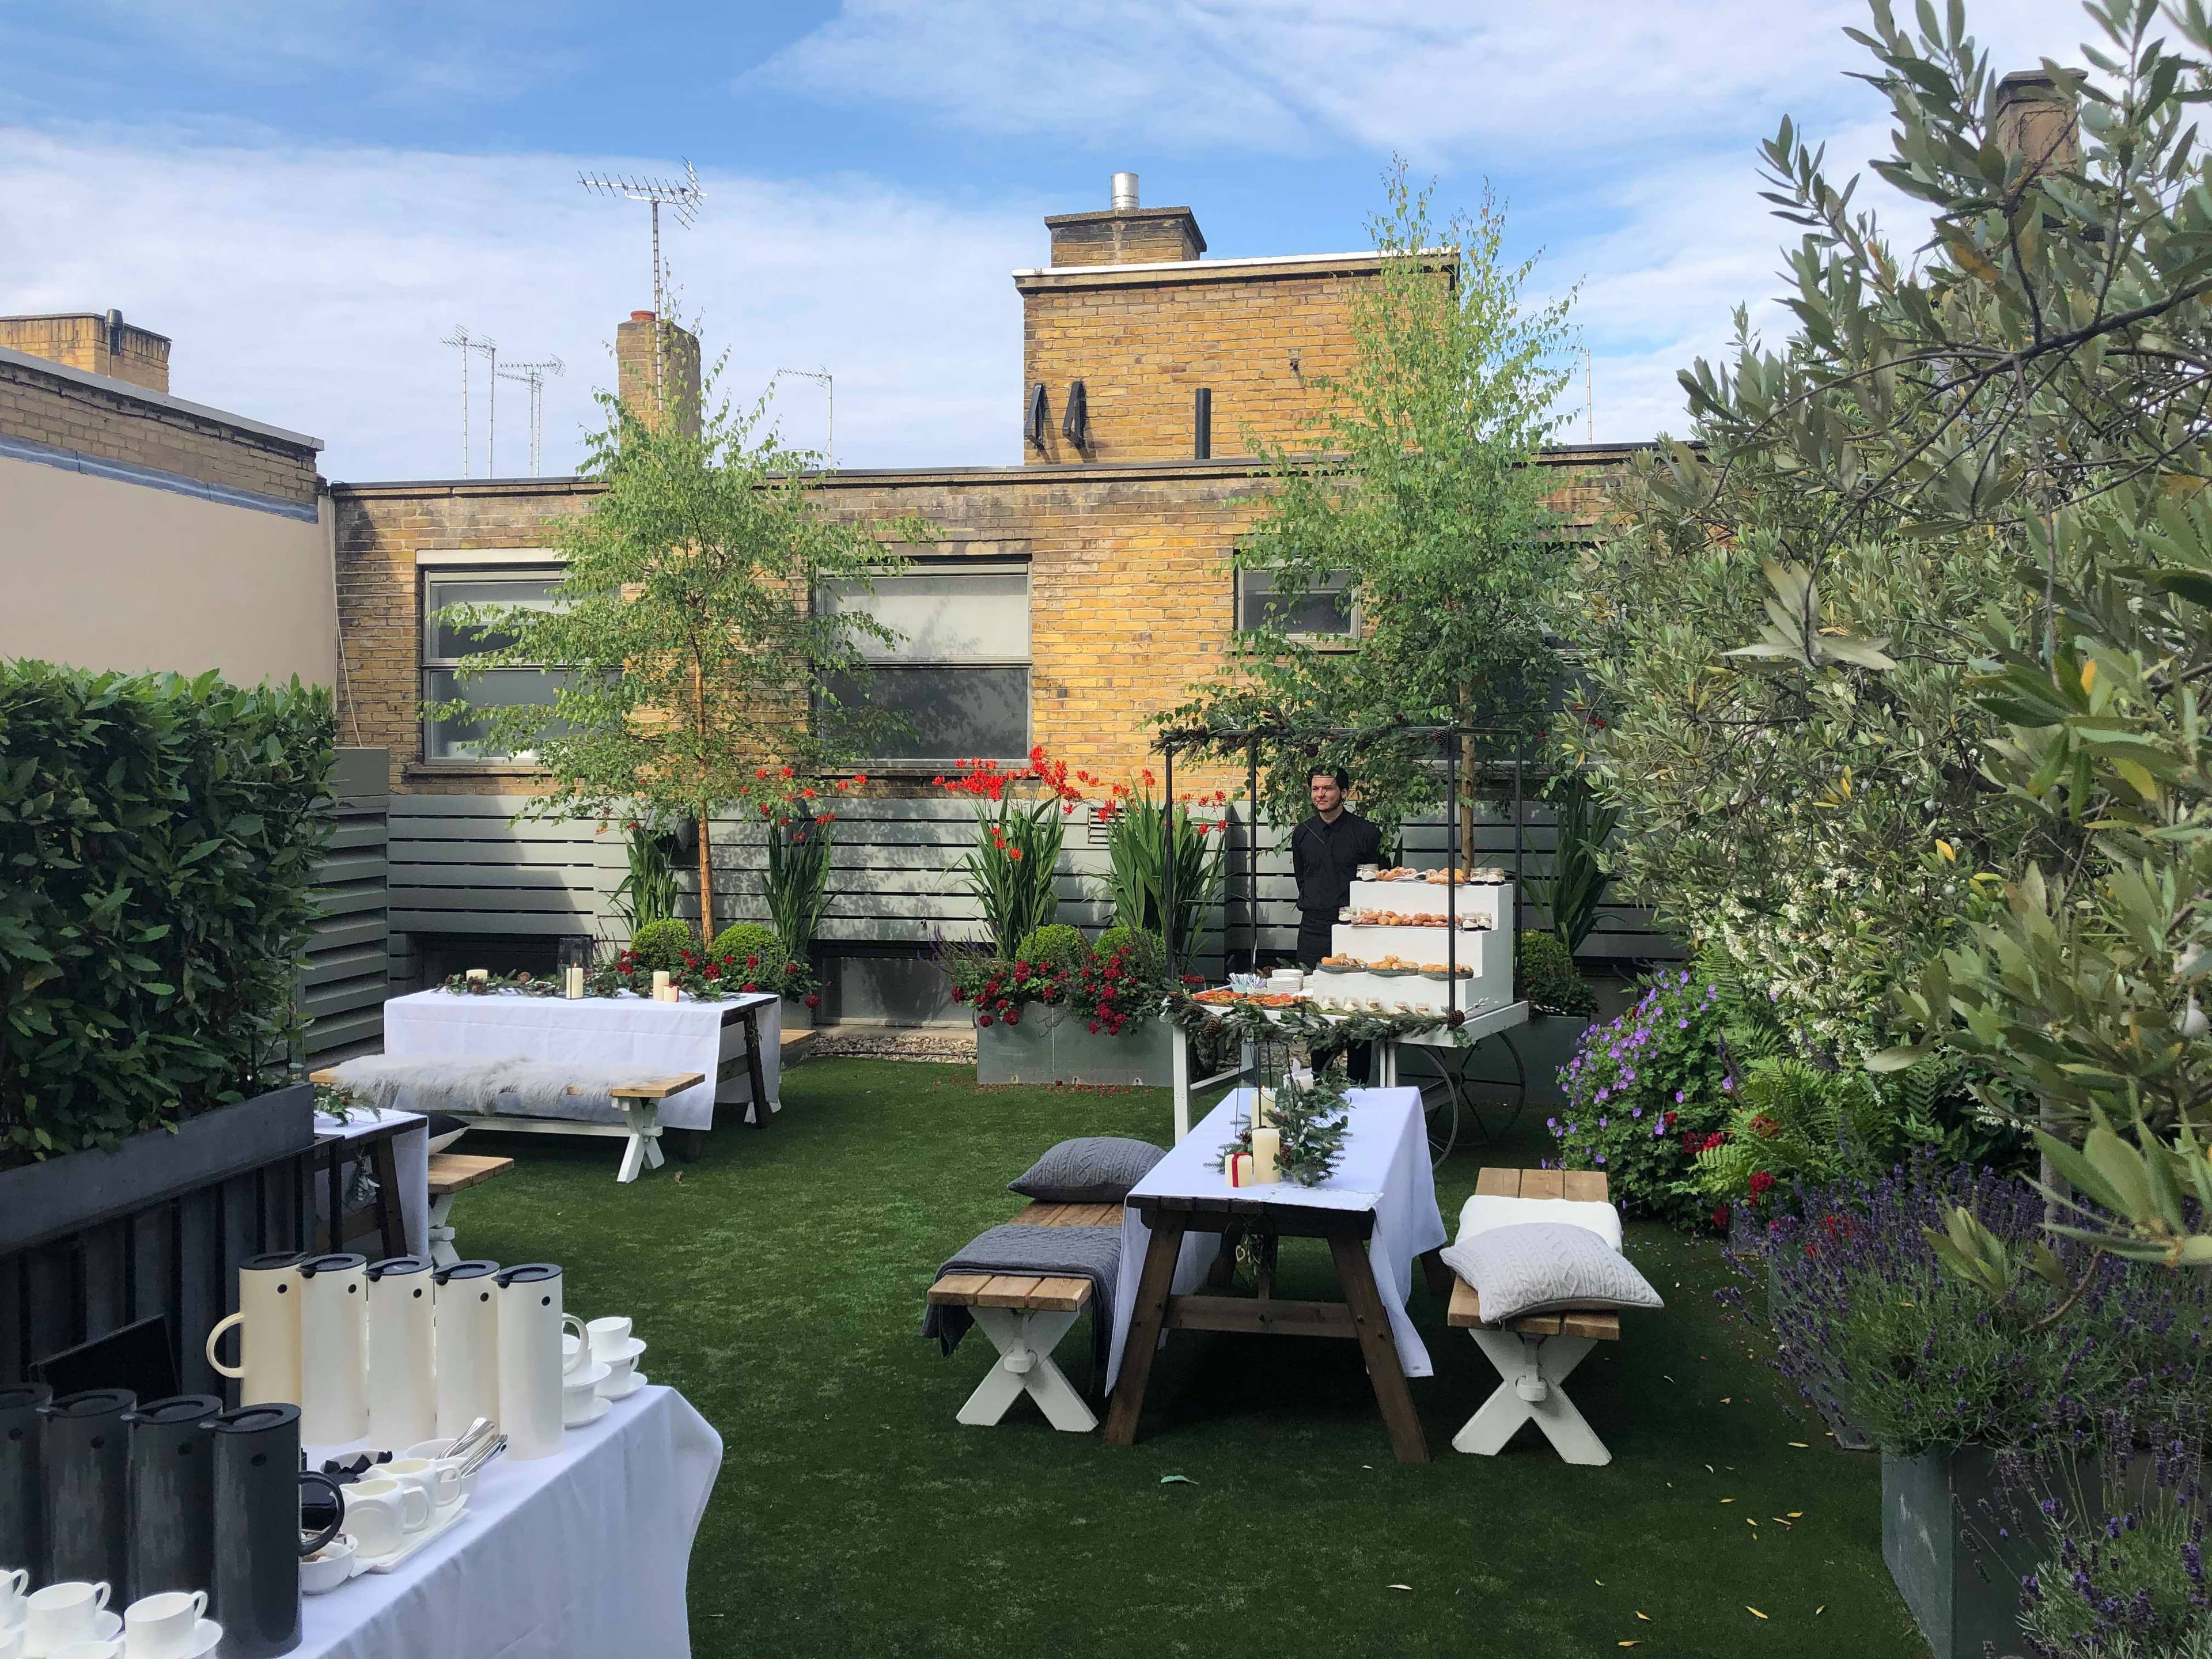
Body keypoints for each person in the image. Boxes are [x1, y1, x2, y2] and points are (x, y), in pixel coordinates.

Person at [1291, 765, 1382, 969]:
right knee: (1309, 983)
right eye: (1315, 789)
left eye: (1328, 788)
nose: (1320, 794)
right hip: (1312, 928)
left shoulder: (1366, 833)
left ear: (1344, 792)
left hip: (1354, 926)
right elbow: (1301, 877)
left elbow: (1377, 883)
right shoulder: (1302, 833)